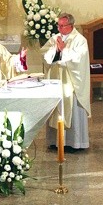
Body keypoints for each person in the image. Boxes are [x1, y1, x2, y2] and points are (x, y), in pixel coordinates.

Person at [41, 12, 91, 151]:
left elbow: (79, 60)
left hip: (72, 82)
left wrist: (64, 50)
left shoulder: (80, 40)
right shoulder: (54, 38)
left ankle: (74, 142)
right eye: (58, 25)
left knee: (72, 108)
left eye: (62, 25)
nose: (59, 28)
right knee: (56, 108)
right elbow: (44, 54)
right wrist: (55, 50)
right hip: (56, 79)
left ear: (71, 25)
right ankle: (55, 141)